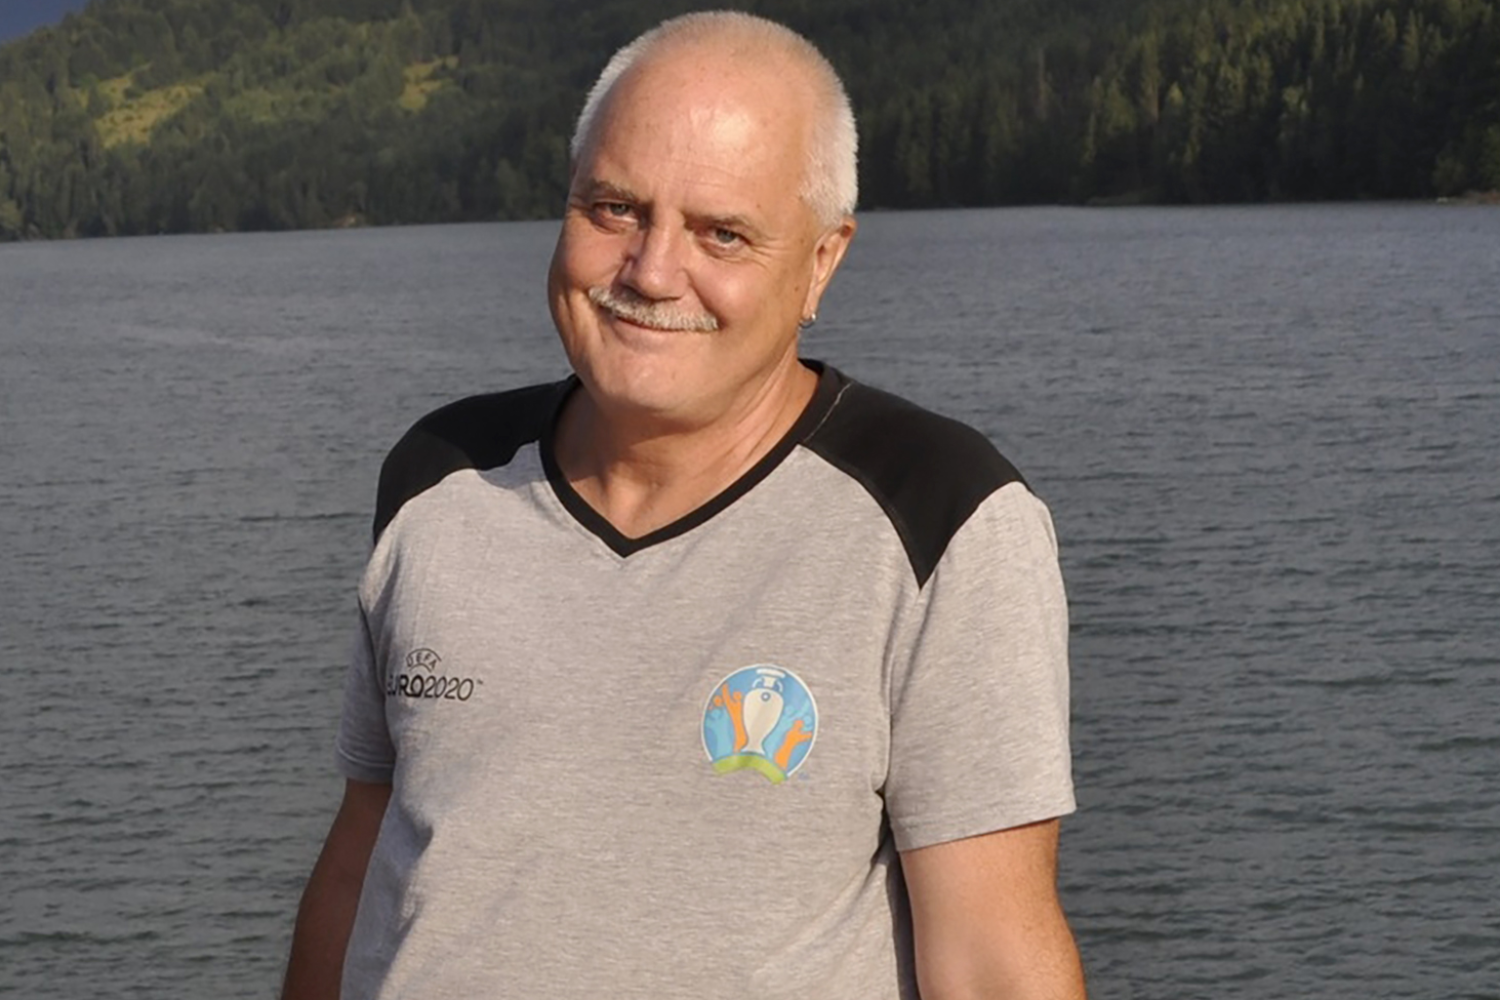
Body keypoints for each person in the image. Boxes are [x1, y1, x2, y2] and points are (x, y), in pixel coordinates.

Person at [281, 11, 1084, 999]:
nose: (653, 272)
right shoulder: (441, 477)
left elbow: (994, 961)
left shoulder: (940, 513)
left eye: (722, 233)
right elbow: (364, 858)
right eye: (614, 209)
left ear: (821, 262)